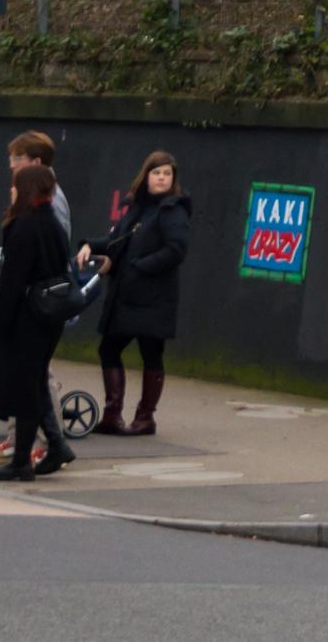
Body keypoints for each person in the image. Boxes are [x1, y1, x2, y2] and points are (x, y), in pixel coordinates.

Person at [0, 156, 75, 481]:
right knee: (34, 385)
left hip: (26, 319)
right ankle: (54, 446)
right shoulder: (54, 226)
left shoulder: (24, 227)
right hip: (50, 316)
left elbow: (12, 281)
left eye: (16, 185)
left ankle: (21, 461)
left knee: (25, 389)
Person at [81, 147, 192, 437]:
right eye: (157, 173)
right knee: (109, 348)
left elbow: (176, 250)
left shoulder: (173, 210)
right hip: (127, 296)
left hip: (153, 298)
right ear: (146, 176)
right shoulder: (138, 207)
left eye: (167, 174)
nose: (162, 178)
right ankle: (112, 415)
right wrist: (90, 245)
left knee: (151, 352)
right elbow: (116, 240)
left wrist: (140, 266)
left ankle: (145, 418)